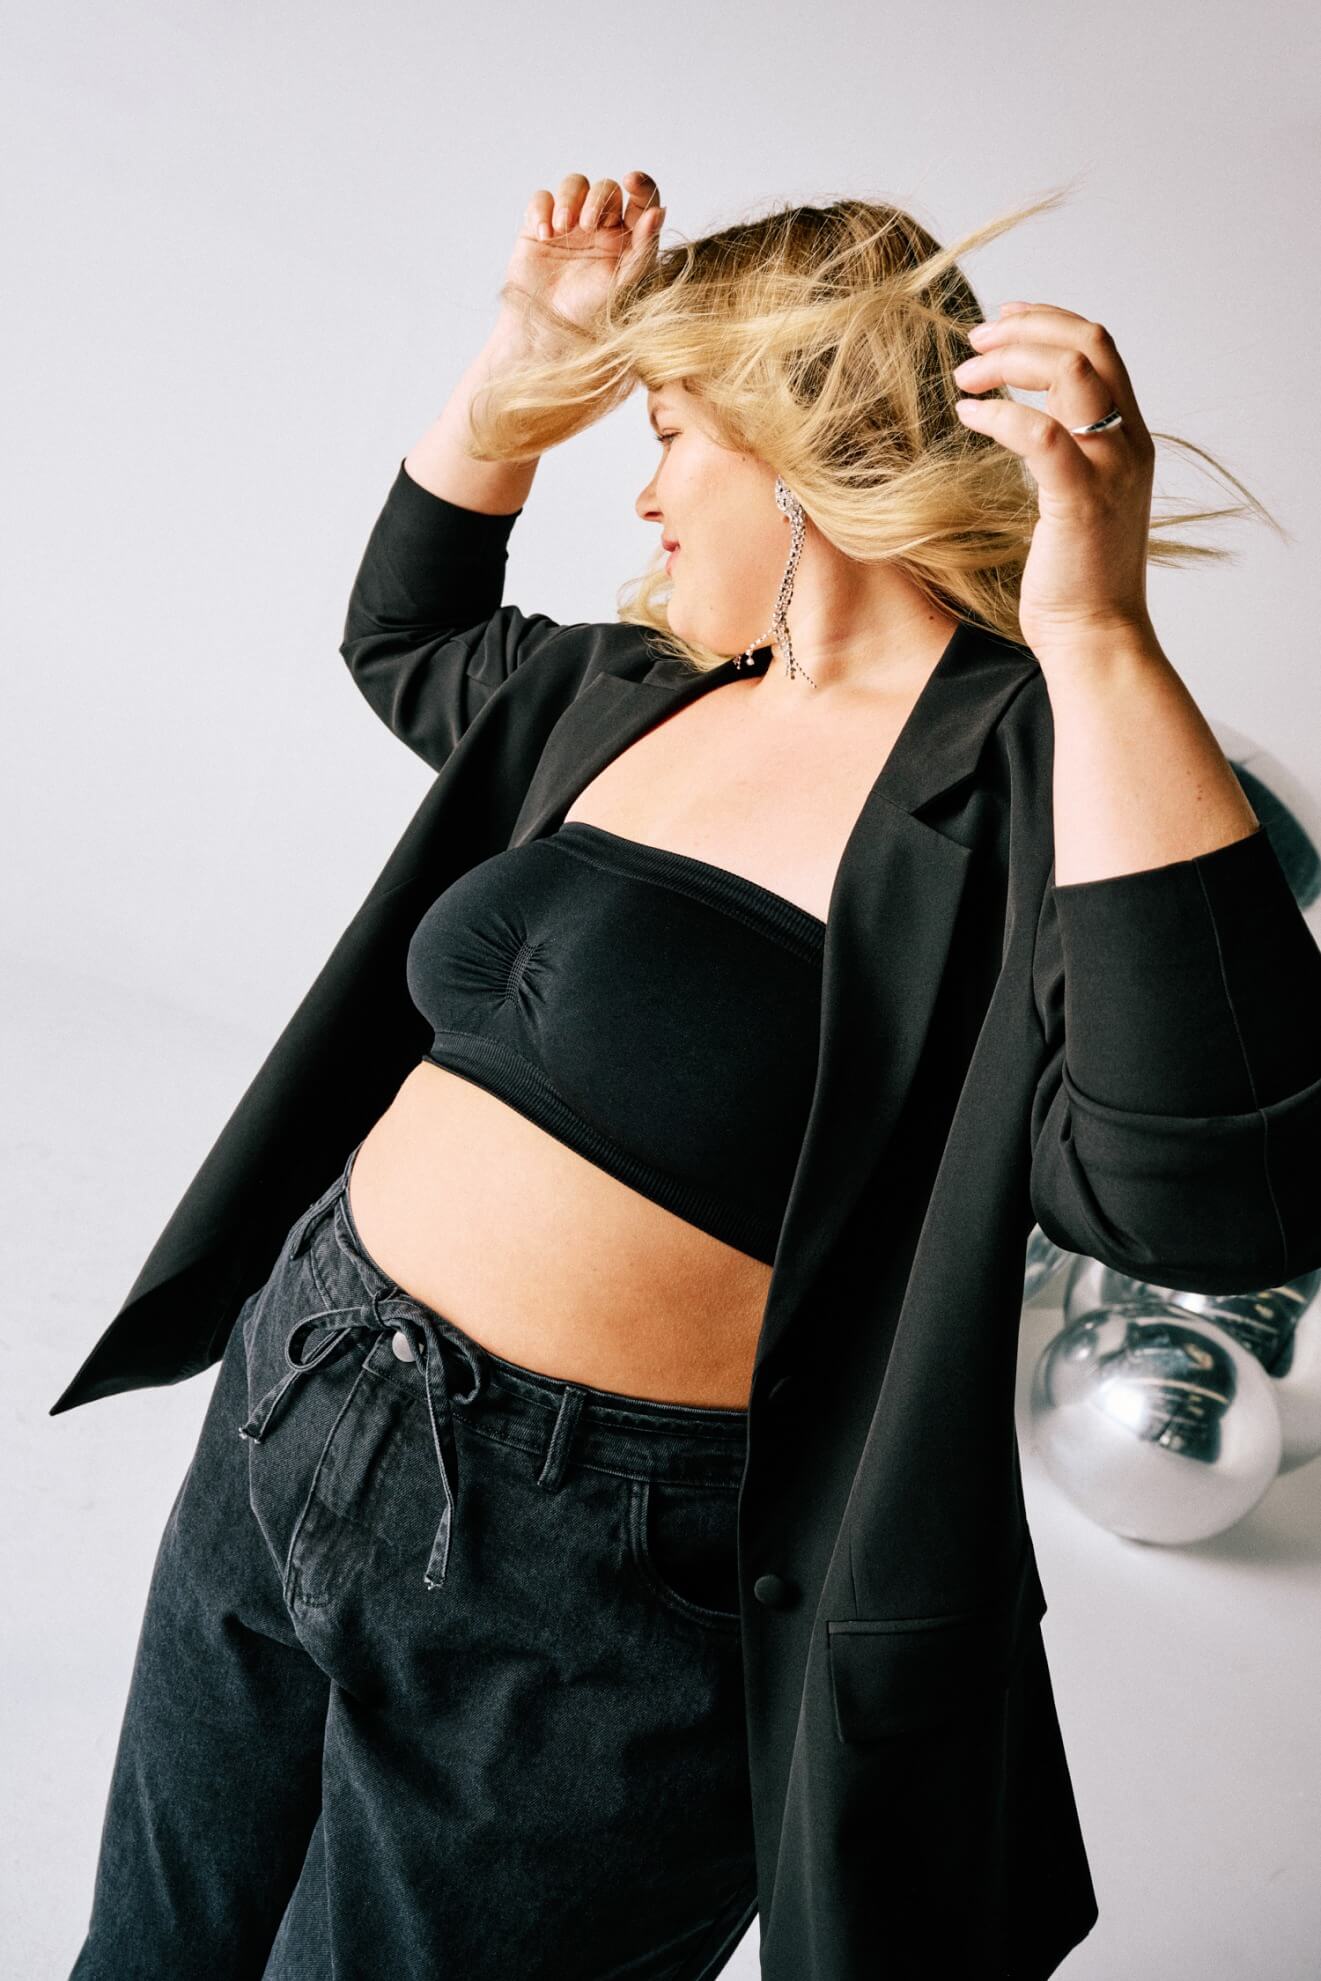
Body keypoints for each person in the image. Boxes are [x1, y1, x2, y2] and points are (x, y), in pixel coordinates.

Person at [64, 170, 1321, 1979]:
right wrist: (524, 359)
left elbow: (1209, 1198)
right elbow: (403, 636)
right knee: (148, 1952)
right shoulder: (628, 686)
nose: (644, 496)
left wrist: (1101, 631)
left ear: (794, 448)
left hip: (601, 1576)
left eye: (664, 435)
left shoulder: (1029, 772)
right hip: (303, 1387)